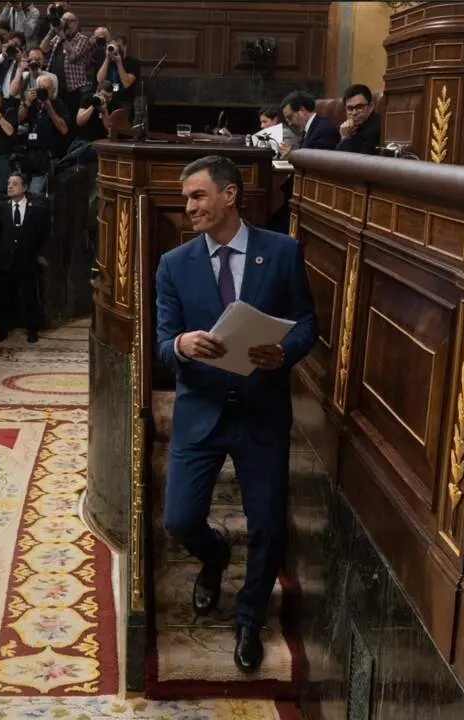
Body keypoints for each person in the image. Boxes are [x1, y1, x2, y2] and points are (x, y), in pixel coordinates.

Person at [155, 155, 316, 674]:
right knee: (180, 518)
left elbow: (307, 322)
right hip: (200, 409)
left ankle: (249, 615)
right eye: (186, 200)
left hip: (261, 410)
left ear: (229, 195)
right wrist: (180, 343)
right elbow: (159, 344)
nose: (190, 208)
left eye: (198, 196)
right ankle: (214, 555)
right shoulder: (174, 265)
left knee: (268, 525)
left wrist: (284, 352)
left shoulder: (283, 251)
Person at [0, 172, 49, 344]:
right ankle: (2, 330)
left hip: (27, 261)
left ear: (24, 187)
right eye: (9, 183)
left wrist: (36, 253)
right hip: (6, 263)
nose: (10, 186)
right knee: (4, 298)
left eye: (15, 183)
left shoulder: (37, 209)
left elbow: (43, 234)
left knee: (29, 298)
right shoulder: (1, 209)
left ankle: (32, 330)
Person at [336, 83, 382, 155]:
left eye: (359, 107)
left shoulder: (375, 129)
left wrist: (345, 138)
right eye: (350, 108)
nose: (354, 113)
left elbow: (351, 162)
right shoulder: (348, 128)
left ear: (371, 107)